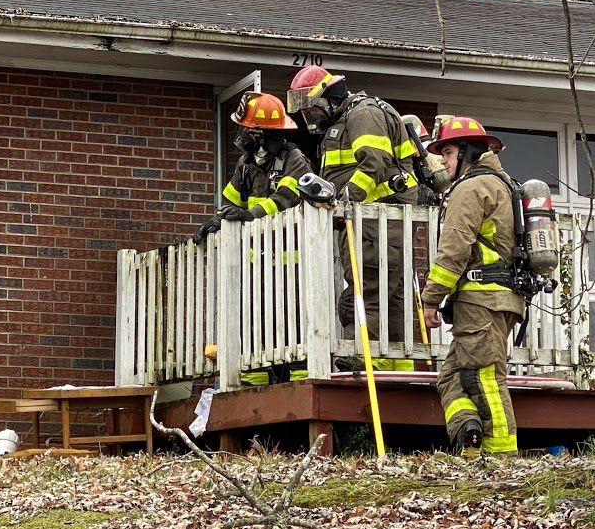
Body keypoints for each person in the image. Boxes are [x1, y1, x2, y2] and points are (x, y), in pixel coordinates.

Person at [286, 67, 419, 361]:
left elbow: (374, 165)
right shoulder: (342, 121)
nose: (309, 119)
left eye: (311, 110)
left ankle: (365, 356)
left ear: (328, 98)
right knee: (387, 293)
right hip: (367, 219)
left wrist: (343, 202)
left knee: (369, 287)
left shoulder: (363, 114)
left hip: (376, 219)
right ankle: (392, 363)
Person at [420, 117, 523, 456]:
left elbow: (455, 247)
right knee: (450, 377)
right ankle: (470, 435)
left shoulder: (471, 187)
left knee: (485, 379)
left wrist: (431, 299)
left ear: (467, 151)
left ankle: (501, 458)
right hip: (494, 299)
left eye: (448, 152)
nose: (444, 161)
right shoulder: (501, 183)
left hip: (482, 300)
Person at [193, 91, 312, 385]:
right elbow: (231, 201)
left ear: (263, 133)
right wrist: (216, 222)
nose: (244, 134)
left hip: (290, 259)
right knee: (254, 315)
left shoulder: (294, 161)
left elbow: (286, 198)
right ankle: (255, 375)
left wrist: (251, 215)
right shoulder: (246, 164)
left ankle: (300, 376)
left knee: (292, 317)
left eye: (249, 129)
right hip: (257, 259)